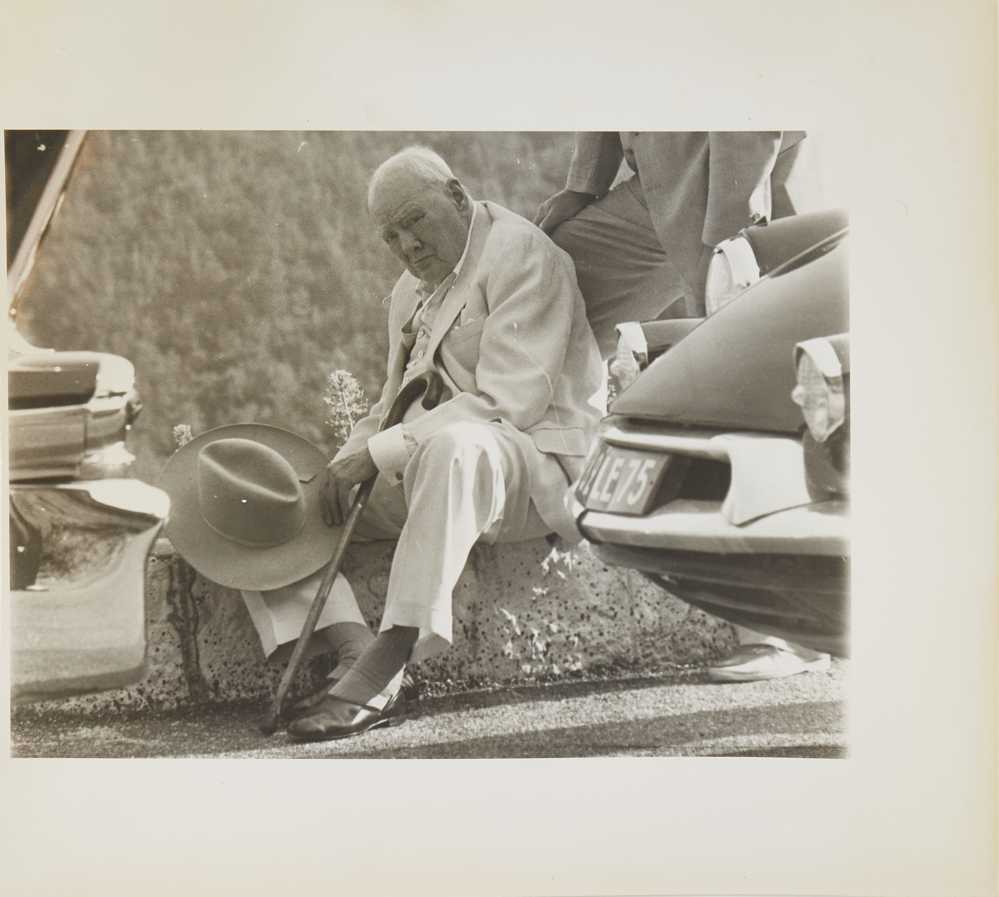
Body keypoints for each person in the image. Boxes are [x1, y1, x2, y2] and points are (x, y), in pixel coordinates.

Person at [165, 146, 605, 742]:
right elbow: (392, 401)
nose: (407, 246)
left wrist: (377, 455)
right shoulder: (410, 288)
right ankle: (352, 647)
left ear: (455, 195)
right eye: (391, 236)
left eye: (415, 221)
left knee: (458, 446)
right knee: (268, 509)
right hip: (432, 470)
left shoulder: (522, 254)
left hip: (532, 465)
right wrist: (349, 460)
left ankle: (388, 664)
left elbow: (510, 404)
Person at [536, 131, 830, 683]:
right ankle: (568, 475)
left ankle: (784, 633)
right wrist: (584, 184)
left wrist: (733, 237)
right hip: (657, 179)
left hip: (738, 175)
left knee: (752, 377)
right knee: (545, 276)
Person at [535, 131, 821, 356]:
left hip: (745, 177)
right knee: (548, 287)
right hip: (658, 175)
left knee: (748, 343)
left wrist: (727, 246)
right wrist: (583, 185)